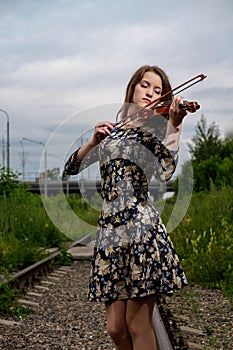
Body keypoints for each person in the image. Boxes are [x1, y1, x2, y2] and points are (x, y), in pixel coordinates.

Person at [64, 65, 188, 350]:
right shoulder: (114, 131)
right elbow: (72, 167)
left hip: (141, 230)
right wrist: (93, 141)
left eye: (158, 90)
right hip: (110, 233)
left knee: (137, 324)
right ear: (133, 88)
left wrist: (175, 125)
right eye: (146, 86)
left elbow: (165, 171)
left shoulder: (155, 130)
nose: (151, 93)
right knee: (116, 329)